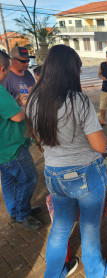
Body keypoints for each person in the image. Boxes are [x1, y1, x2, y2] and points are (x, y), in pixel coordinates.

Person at [25, 45, 107, 278]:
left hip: (54, 174)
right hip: (85, 173)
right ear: (71, 71)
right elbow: (99, 146)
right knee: (89, 228)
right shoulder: (79, 100)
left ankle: (53, 273)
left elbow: (39, 140)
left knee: (60, 226)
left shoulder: (33, 100)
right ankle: (97, 271)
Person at [0, 51, 43, 230]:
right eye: (5, 71)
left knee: (9, 181)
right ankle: (22, 214)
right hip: (12, 147)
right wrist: (25, 105)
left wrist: (17, 102)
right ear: (2, 69)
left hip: (4, 148)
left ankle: (14, 210)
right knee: (30, 178)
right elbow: (18, 117)